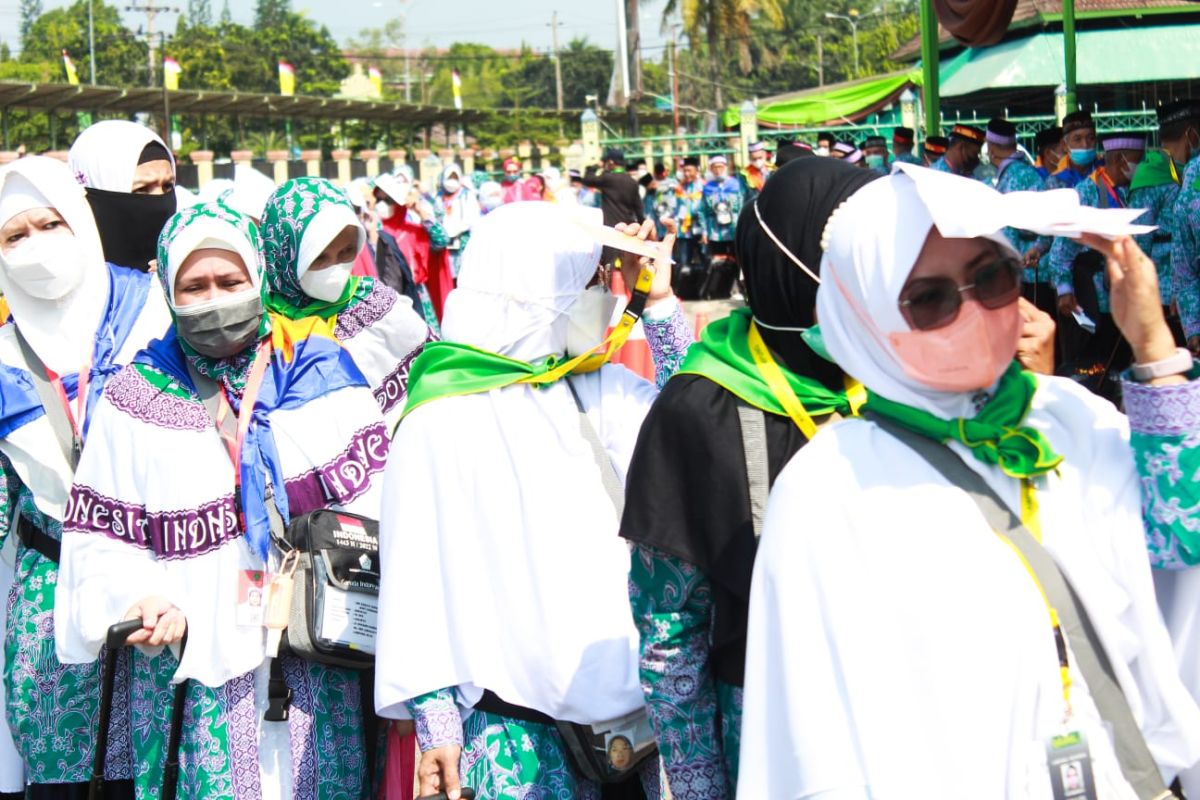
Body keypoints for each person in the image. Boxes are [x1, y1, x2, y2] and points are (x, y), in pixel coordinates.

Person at [737, 163, 1200, 798]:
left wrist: (1152, 342)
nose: (974, 309)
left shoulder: (1069, 419)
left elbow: (1183, 536)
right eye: (929, 299)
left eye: (992, 277)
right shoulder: (828, 493)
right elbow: (814, 747)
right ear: (865, 316)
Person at [621, 158, 1057, 799]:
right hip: (785, 734)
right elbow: (670, 640)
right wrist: (698, 790)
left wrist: (1032, 392)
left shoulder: (912, 373)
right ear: (788, 270)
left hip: (947, 719)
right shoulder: (699, 410)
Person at [56, 198, 389, 800]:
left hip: (322, 669)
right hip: (196, 681)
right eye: (195, 286)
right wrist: (141, 597)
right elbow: (97, 538)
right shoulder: (135, 398)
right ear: (170, 293)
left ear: (258, 277)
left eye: (230, 281)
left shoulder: (319, 371)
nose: (213, 298)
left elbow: (383, 513)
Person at [374, 202, 692, 799]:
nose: (601, 294)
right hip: (512, 736)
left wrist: (660, 300)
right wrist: (435, 724)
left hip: (636, 724)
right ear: (542, 291)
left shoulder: (601, 387)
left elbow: (699, 428)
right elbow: (419, 582)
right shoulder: (437, 418)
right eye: (589, 280)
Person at [0, 155, 174, 799]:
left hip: (162, 594)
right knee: (68, 781)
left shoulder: (155, 315)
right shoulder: (2, 357)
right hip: (52, 611)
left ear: (81, 221)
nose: (36, 248)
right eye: (14, 237)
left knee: (162, 769)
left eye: (50, 224)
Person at [260, 177, 436, 431]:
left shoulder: (375, 305)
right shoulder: (266, 333)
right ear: (284, 256)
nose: (335, 267)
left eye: (346, 253)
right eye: (319, 257)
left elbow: (433, 369)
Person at [1049, 132, 1146, 374]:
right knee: (1093, 369)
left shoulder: (1133, 191)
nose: (1141, 166)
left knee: (1122, 368)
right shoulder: (1087, 193)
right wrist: (1064, 290)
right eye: (1138, 160)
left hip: (1125, 300)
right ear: (1121, 161)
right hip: (1092, 299)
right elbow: (1061, 250)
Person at [68, 120, 177, 274]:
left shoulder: (187, 263)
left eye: (167, 186)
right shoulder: (71, 277)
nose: (161, 200)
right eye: (142, 189)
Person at [1131, 101, 1199, 346]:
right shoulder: (1150, 174)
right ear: (1191, 134)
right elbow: (1139, 244)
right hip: (1162, 294)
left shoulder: (1193, 171)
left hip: (1189, 292)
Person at [989, 118, 1055, 316]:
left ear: (991, 148)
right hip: (1036, 268)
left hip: (1029, 274)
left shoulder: (1014, 176)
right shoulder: (1025, 172)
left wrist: (1009, 275)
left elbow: (1009, 230)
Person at [374, 172, 454, 325]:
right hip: (384, 299)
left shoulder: (412, 231)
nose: (382, 204)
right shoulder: (373, 231)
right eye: (379, 199)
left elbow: (442, 240)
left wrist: (420, 211)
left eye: (388, 200)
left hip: (415, 297)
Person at [580, 148, 644, 230]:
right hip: (627, 229)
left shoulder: (607, 178)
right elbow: (638, 208)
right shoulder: (632, 182)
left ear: (611, 162)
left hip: (611, 229)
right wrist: (641, 224)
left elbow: (587, 180)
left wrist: (597, 166)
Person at [435, 164, 480, 280]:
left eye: (455, 178)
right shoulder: (439, 196)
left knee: (464, 275)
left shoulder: (466, 195)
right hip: (444, 243)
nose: (452, 181)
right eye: (449, 178)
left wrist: (457, 229)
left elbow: (472, 218)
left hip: (463, 240)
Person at [700, 155, 746, 262]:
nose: (718, 170)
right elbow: (702, 211)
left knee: (736, 259)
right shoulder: (707, 188)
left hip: (733, 229)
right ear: (711, 169)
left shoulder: (736, 185)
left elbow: (742, 207)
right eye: (714, 167)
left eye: (720, 167)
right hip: (715, 232)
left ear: (726, 167)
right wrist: (704, 232)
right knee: (718, 261)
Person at [1045, 111, 1098, 191]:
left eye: (1090, 138)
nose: (1085, 144)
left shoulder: (1107, 174)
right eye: (1077, 139)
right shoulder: (1055, 181)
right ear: (1064, 145)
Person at [673, 157, 706, 279]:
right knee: (684, 262)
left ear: (697, 170)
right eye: (684, 171)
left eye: (689, 170)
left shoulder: (704, 186)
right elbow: (675, 208)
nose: (686, 174)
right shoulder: (680, 188)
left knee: (705, 259)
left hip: (700, 229)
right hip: (684, 231)